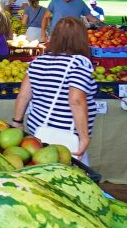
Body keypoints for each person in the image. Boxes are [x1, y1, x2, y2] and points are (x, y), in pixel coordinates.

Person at [11, 17, 98, 163]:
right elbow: (76, 100)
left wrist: (17, 121)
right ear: (81, 38)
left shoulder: (38, 61)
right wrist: (84, 137)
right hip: (65, 137)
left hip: (37, 132)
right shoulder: (79, 63)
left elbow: (23, 96)